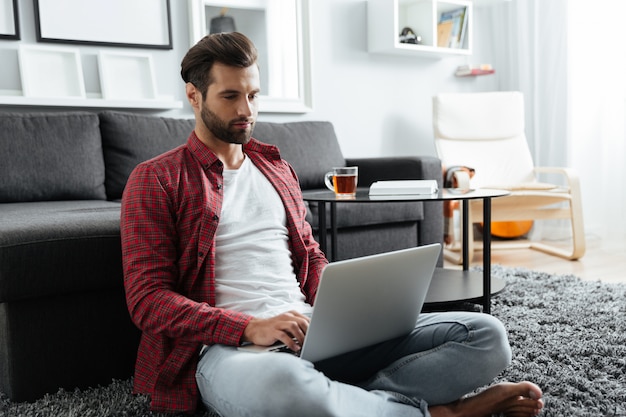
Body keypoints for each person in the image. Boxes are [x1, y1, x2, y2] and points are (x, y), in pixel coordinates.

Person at [120, 32, 544, 417]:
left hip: (316, 333)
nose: (246, 111)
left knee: (486, 335)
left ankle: (345, 401)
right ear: (194, 96)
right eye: (230, 96)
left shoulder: (274, 166)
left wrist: (343, 305)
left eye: (253, 95)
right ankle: (438, 414)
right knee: (283, 389)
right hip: (231, 350)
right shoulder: (156, 178)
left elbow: (310, 254)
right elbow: (147, 299)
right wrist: (249, 326)